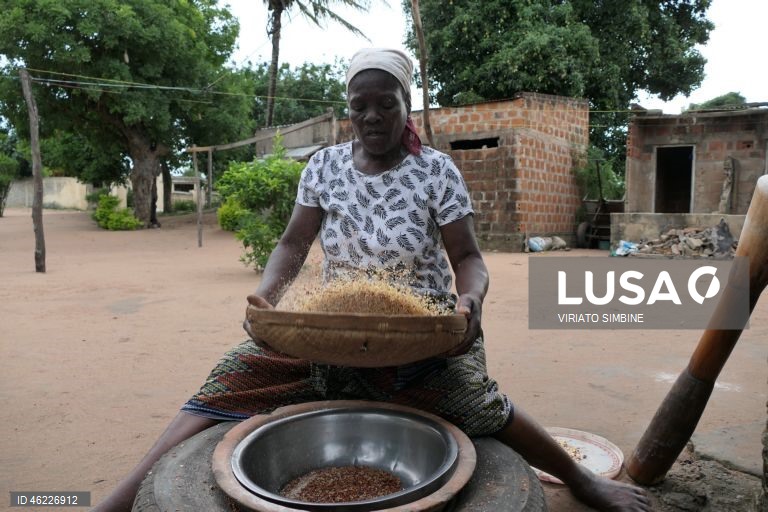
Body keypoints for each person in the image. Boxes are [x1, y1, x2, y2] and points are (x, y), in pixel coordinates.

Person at [93, 48, 650, 512]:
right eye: (360, 106)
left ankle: (582, 481)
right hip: (332, 331)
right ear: (348, 110)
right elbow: (292, 244)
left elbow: (468, 257)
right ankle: (121, 498)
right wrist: (267, 296)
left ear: (406, 104)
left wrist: (470, 299)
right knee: (230, 377)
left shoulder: (436, 171)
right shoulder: (325, 167)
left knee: (478, 404)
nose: (373, 116)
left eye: (387, 103)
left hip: (421, 334)